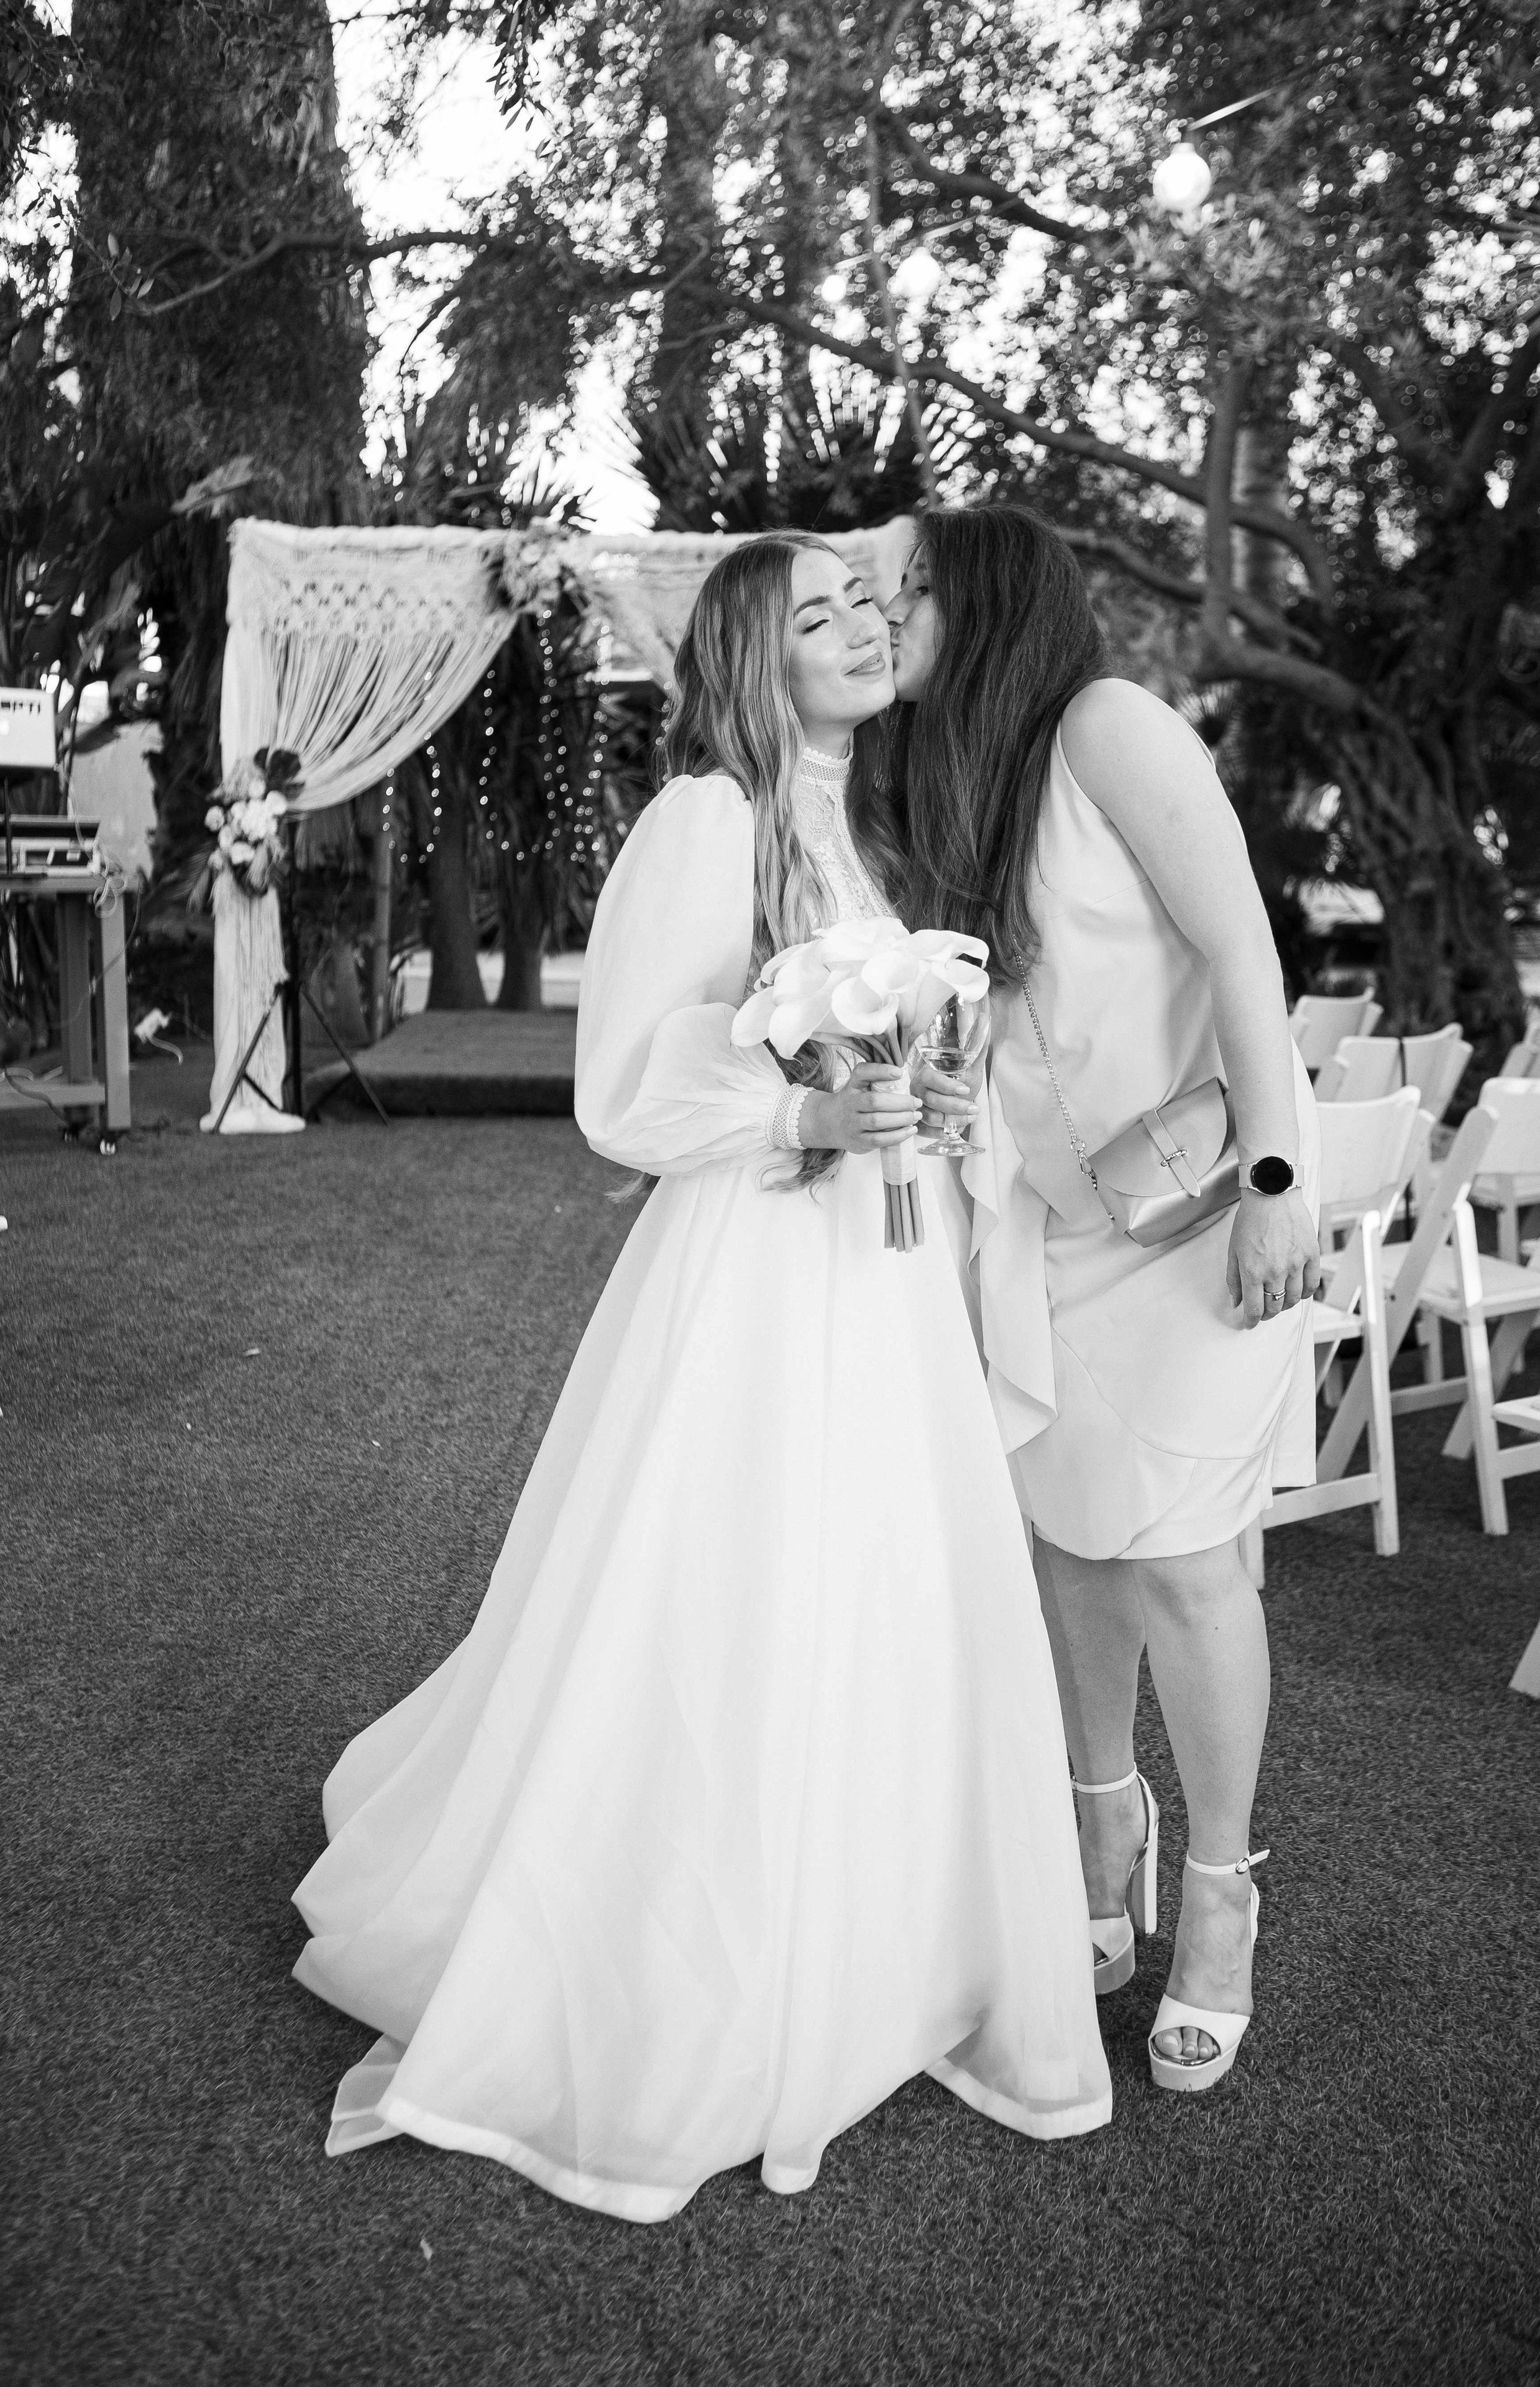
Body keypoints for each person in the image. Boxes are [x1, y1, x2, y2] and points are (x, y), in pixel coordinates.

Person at [291, 533, 1110, 2224]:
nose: (863, 627)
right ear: (752, 656)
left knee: (883, 1583)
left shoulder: (878, 827)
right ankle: (694, 1962)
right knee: (737, 1584)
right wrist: (808, 1111)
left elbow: (903, 1041)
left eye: (868, 602)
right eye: (817, 613)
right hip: (753, 1278)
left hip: (883, 1289)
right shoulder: (707, 823)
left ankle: (888, 1946)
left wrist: (933, 1105)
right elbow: (624, 1083)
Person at [886, 504, 1322, 2095]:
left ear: (987, 594)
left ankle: (1219, 1894)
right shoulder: (952, 775)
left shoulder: (1110, 725)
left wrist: (1278, 1178)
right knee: (1067, 1544)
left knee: (1192, 1565)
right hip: (1052, 1232)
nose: (887, 611)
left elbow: (1239, 950)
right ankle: (1099, 1831)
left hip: (1207, 1213)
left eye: (912, 585)